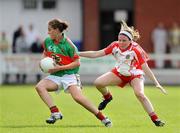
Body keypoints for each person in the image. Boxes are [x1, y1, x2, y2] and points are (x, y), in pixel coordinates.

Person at [79, 21, 167, 127]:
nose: (121, 42)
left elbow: (145, 68)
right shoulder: (114, 45)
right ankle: (107, 97)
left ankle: (155, 119)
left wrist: (156, 83)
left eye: (124, 40)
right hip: (120, 72)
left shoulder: (136, 50)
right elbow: (96, 53)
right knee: (98, 83)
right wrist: (78, 54)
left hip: (135, 74)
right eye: (119, 40)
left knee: (140, 94)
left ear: (130, 40)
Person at [35, 19, 112, 127]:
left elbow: (77, 63)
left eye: (50, 30)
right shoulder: (48, 41)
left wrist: (59, 68)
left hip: (70, 75)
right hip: (56, 75)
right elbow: (45, 53)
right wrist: (42, 62)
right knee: (40, 87)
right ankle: (55, 112)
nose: (48, 32)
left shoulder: (69, 45)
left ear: (57, 30)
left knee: (78, 98)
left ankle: (103, 118)